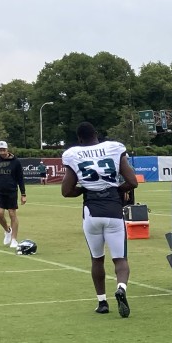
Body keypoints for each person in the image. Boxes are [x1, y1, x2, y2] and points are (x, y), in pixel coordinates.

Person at [61, 121, 139, 317]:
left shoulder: (73, 153)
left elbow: (66, 191)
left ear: (80, 139)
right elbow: (132, 182)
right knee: (120, 259)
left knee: (97, 259)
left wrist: (84, 189)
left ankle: (102, 302)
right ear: (97, 134)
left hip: (91, 212)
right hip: (113, 210)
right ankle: (121, 288)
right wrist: (115, 191)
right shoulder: (113, 147)